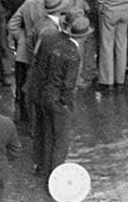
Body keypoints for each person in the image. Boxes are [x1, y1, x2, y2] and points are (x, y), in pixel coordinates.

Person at [35, 15, 89, 181]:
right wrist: (66, 104)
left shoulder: (52, 42)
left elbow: (42, 68)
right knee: (61, 141)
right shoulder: (74, 53)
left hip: (45, 94)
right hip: (59, 100)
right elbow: (69, 84)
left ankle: (43, 170)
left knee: (48, 135)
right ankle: (55, 177)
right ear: (82, 36)